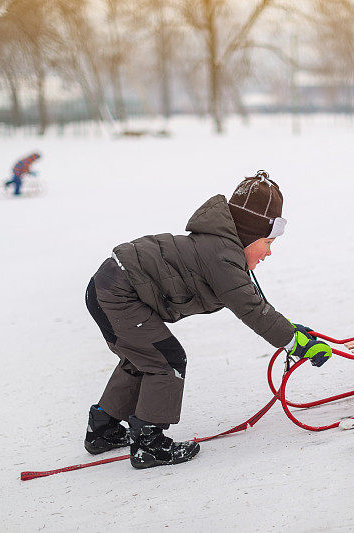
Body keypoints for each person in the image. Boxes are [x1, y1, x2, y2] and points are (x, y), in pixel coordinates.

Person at [83, 170, 333, 469]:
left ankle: (103, 428)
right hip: (118, 292)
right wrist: (295, 342)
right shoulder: (222, 257)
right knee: (166, 360)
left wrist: (291, 331)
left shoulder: (221, 249)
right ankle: (149, 444)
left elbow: (253, 302)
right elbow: (252, 310)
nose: (268, 253)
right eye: (268, 242)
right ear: (249, 235)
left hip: (108, 284)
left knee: (143, 357)